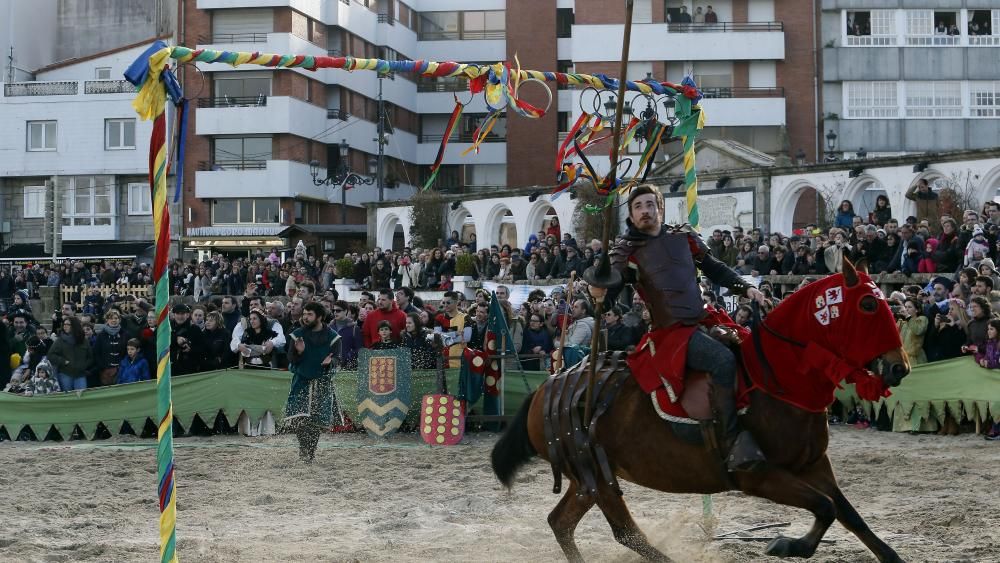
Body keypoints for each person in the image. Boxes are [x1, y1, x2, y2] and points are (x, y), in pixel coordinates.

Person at [602, 184, 768, 472]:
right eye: (638, 206)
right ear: (630, 214)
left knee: (750, 349)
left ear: (660, 208)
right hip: (671, 334)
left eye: (650, 204)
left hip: (703, 319)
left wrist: (746, 288)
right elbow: (610, 294)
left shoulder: (683, 237)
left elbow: (716, 268)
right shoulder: (627, 252)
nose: (645, 211)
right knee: (722, 360)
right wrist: (598, 292)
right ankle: (731, 442)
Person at [284, 302, 343, 463]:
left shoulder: (333, 337)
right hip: (301, 382)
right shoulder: (297, 334)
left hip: (321, 384)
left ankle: (310, 452)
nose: (305, 317)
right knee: (299, 419)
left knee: (315, 423)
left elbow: (338, 359)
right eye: (304, 314)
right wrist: (300, 352)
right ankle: (304, 448)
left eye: (309, 314)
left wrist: (331, 362)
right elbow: (290, 359)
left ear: (320, 317)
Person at [47, 316, 93, 392]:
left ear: (74, 326)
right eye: (64, 324)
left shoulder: (83, 341)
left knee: (81, 398)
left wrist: (84, 365)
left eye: (68, 324)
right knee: (67, 397)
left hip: (80, 375)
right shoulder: (60, 340)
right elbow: (51, 355)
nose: (65, 326)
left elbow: (90, 357)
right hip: (65, 374)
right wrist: (63, 361)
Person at [896, 298, 928, 365]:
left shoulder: (922, 319)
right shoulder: (903, 322)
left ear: (917, 310)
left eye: (909, 307)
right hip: (904, 358)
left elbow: (918, 331)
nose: (906, 309)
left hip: (916, 359)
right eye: (905, 307)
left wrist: (908, 316)